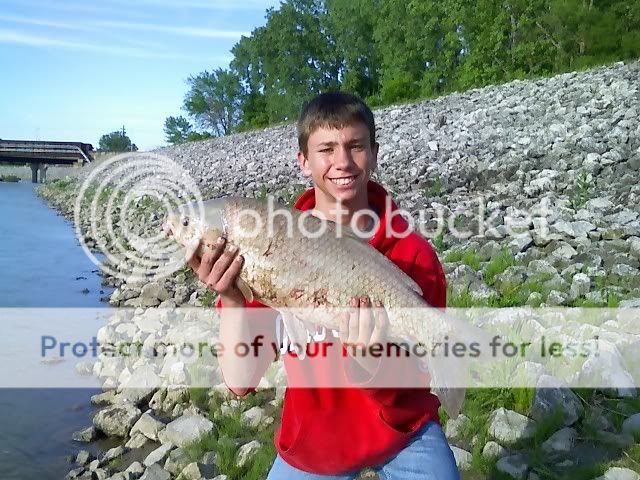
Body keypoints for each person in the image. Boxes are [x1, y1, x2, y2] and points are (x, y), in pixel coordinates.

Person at [188, 92, 460, 479]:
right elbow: (239, 381)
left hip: (403, 427)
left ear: (375, 152)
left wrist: (369, 358)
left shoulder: (413, 255)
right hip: (316, 444)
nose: (343, 162)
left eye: (355, 146)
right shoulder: (263, 246)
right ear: (303, 161)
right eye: (326, 149)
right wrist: (232, 299)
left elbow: (413, 378)